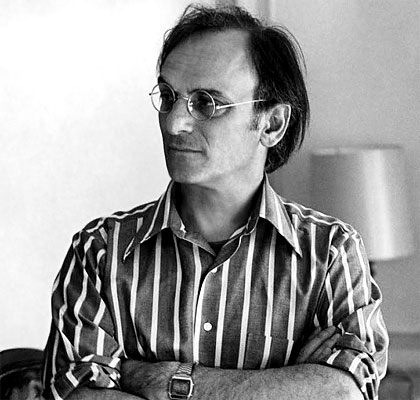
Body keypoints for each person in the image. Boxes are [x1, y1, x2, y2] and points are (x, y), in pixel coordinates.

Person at [42, 4, 388, 400]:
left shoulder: (330, 254)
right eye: (168, 96)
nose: (174, 123)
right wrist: (289, 384)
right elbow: (79, 395)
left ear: (272, 124)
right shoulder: (100, 252)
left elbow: (343, 393)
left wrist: (165, 380)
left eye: (206, 103)